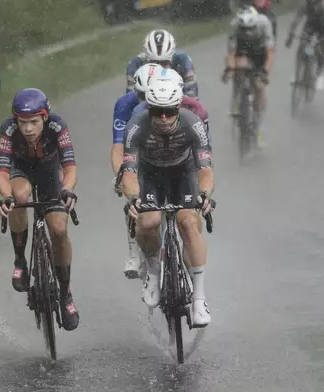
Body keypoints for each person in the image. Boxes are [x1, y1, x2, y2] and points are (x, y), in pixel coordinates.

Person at [120, 78, 215, 328]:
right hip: (150, 176)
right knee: (148, 221)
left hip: (184, 173)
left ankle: (199, 298)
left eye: (169, 112)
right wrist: (133, 197)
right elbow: (129, 173)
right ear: (148, 109)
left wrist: (204, 194)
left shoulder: (193, 124)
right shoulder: (135, 126)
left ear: (178, 108)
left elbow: (205, 168)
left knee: (188, 222)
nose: (163, 118)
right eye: (157, 112)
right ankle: (152, 273)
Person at [0, 88, 80, 331]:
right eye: (23, 122)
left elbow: (70, 167)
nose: (28, 129)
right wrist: (6, 197)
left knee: (59, 228)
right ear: (16, 120)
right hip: (21, 170)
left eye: (33, 122)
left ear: (44, 117)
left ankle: (66, 293)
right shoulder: (8, 129)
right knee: (19, 197)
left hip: (50, 173)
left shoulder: (57, 126)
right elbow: (2, 173)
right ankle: (21, 261)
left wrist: (67, 189)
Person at [111, 63, 165, 279]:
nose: (146, 101)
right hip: (137, 152)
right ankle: (134, 250)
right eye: (142, 95)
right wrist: (121, 177)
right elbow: (118, 148)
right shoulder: (125, 105)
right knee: (135, 196)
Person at [222, 5, 274, 144]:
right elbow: (231, 53)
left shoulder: (264, 23)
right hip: (242, 50)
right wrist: (229, 69)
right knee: (237, 69)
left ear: (255, 23)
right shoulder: (234, 25)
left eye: (250, 28)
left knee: (259, 85)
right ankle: (236, 100)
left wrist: (265, 72)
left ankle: (260, 123)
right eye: (244, 29)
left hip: (259, 52)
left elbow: (269, 53)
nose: (248, 32)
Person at [125, 29, 199, 98]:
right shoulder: (136, 63)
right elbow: (130, 97)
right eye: (154, 63)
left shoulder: (183, 60)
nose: (160, 68)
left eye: (164, 63)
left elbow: (192, 95)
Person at [285, 0, 324, 91]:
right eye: (312, 3)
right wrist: (290, 37)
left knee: (322, 51)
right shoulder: (305, 5)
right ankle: (297, 73)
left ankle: (319, 74)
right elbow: (295, 21)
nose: (314, 6)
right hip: (310, 27)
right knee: (302, 44)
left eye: (316, 4)